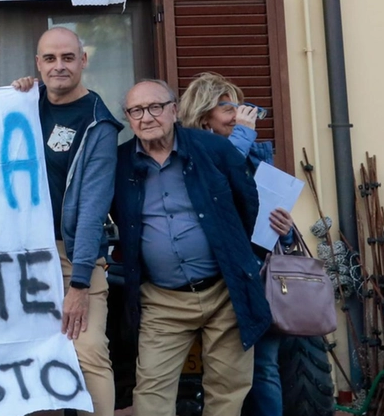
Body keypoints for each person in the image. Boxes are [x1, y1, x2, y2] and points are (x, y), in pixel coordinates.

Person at [112, 80, 271, 416]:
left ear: (174, 110)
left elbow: (248, 202)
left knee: (227, 393)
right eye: (136, 110)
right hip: (161, 299)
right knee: (151, 395)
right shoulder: (119, 163)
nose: (147, 117)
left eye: (155, 107)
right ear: (128, 118)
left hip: (224, 292)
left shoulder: (212, 149)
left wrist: (243, 256)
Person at [6, 27, 120, 416]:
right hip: (18, 256)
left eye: (68, 58)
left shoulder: (98, 124)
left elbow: (92, 207)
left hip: (73, 256)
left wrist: (81, 283)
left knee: (87, 353)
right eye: (49, 59)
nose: (59, 67)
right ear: (37, 64)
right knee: (24, 354)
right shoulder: (22, 102)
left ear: (83, 61)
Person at [179, 72, 295, 416]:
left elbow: (269, 213)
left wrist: (285, 228)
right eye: (227, 107)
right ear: (203, 117)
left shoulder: (255, 153)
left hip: (257, 273)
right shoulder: (187, 153)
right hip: (210, 282)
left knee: (264, 370)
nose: (239, 115)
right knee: (218, 376)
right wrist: (243, 137)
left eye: (240, 106)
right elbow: (215, 182)